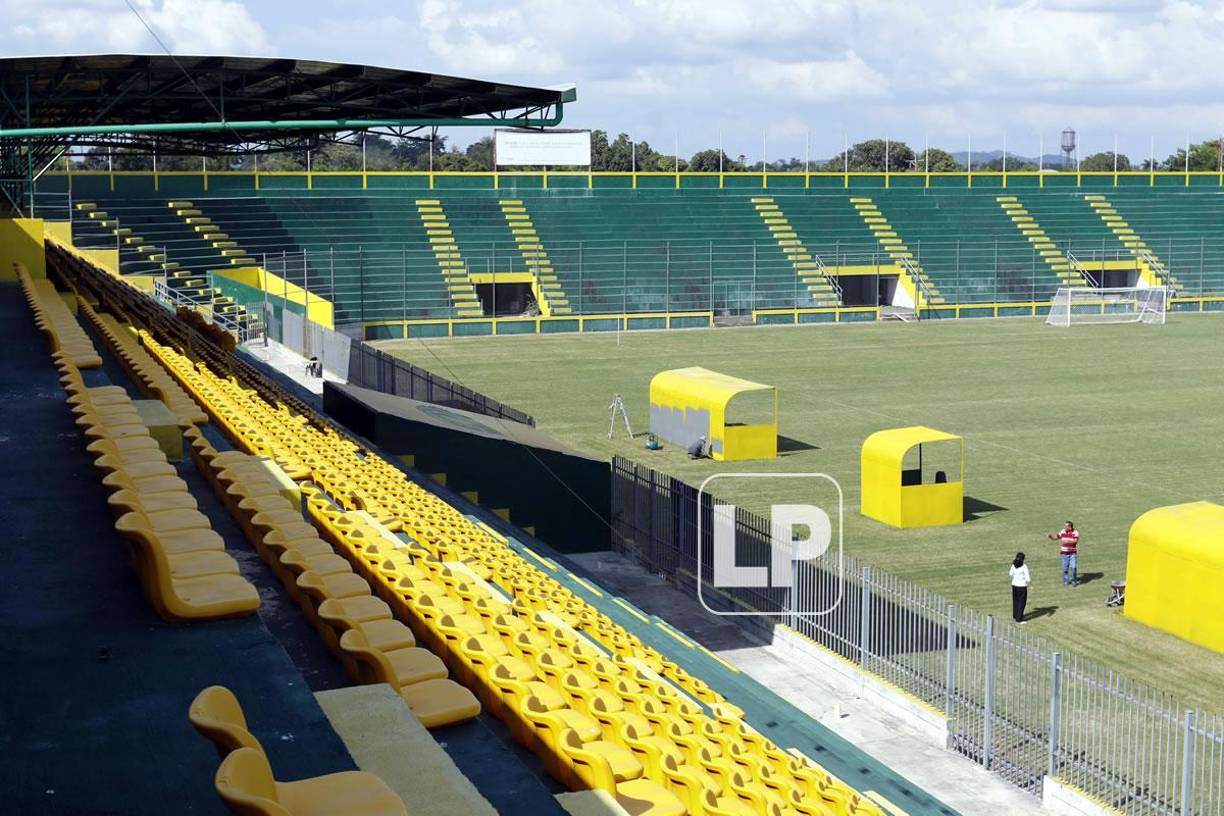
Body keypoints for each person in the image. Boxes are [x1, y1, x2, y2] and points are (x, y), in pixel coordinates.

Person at [1048, 521, 1080, 586]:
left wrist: (1065, 541)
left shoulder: (1075, 532)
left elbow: (1075, 541)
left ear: (1070, 527)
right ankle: (1066, 581)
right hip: (1064, 554)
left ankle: (1074, 581)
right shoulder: (1062, 531)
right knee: (1065, 568)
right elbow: (1056, 537)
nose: (1064, 527)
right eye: (1064, 526)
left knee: (1073, 567)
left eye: (1066, 526)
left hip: (1072, 553)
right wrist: (1051, 537)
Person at [1010, 552, 1031, 623]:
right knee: (1021, 602)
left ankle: (1015, 615)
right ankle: (1019, 618)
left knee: (1015, 601)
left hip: (1014, 585)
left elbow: (1010, 574)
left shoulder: (1013, 565)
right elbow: (1028, 579)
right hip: (1022, 586)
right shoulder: (1024, 566)